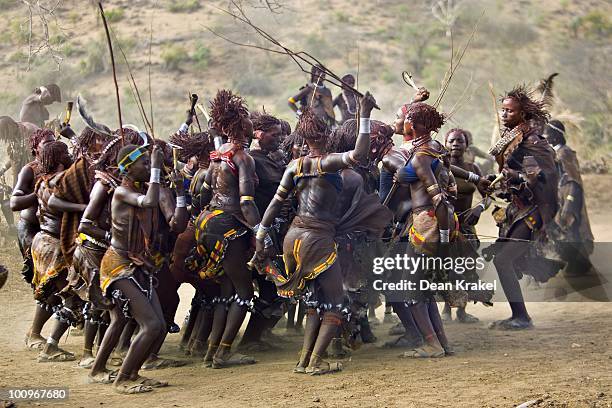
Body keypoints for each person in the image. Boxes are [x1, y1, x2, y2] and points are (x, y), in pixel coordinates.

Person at [254, 91, 380, 375]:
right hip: (317, 240)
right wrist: (365, 114)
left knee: (314, 303)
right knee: (335, 303)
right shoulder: (327, 162)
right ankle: (317, 361)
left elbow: (275, 203)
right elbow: (360, 155)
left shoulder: (293, 166)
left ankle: (304, 361)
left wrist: (260, 237)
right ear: (325, 136)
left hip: (292, 237)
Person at [189, 89, 260, 368]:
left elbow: (204, 195)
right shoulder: (243, 158)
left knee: (226, 291)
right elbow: (246, 203)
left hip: (207, 222)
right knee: (244, 293)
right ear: (241, 126)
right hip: (228, 227)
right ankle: (223, 352)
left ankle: (211, 351)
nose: (253, 126)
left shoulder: (216, 157)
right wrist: (260, 232)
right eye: (250, 123)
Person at [98, 143, 175, 393]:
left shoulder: (136, 188)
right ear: (128, 169)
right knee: (150, 325)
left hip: (137, 265)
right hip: (118, 265)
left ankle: (132, 373)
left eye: (146, 163)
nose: (146, 166)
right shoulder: (121, 192)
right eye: (141, 163)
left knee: (159, 326)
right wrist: (154, 168)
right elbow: (150, 202)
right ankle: (122, 380)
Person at [487, 85, 559, 330]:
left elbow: (543, 176)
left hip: (534, 209)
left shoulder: (534, 141)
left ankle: (522, 317)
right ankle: (519, 315)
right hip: (518, 208)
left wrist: (516, 175)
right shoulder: (514, 136)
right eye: (503, 110)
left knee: (503, 261)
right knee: (504, 260)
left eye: (510, 111)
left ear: (522, 114)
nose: (504, 114)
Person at [31, 141, 81, 362]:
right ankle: (51, 346)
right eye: (66, 153)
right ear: (60, 159)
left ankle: (34, 333)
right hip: (54, 247)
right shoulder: (60, 179)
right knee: (74, 298)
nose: (70, 156)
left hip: (42, 241)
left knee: (53, 294)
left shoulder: (43, 180)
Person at [10, 129, 55, 350]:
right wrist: (39, 194)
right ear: (36, 148)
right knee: (47, 281)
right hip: (32, 231)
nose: (50, 147)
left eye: (54, 142)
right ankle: (34, 333)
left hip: (52, 231)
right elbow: (14, 203)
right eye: (46, 143)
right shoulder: (30, 170)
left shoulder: (59, 168)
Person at [441, 128, 484, 323]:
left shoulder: (473, 169)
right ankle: (446, 309)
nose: (455, 144)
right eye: (451, 141)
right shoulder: (439, 168)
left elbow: (489, 195)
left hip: (466, 226)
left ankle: (461, 311)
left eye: (459, 141)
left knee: (466, 266)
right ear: (445, 144)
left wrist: (480, 208)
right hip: (445, 224)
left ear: (467, 145)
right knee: (445, 266)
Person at [544, 119, 594, 274]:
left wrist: (569, 204)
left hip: (569, 197)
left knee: (571, 229)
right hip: (562, 197)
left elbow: (573, 181)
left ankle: (580, 264)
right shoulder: (557, 153)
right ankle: (576, 262)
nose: (546, 136)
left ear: (557, 136)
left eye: (549, 133)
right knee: (562, 231)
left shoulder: (564, 153)